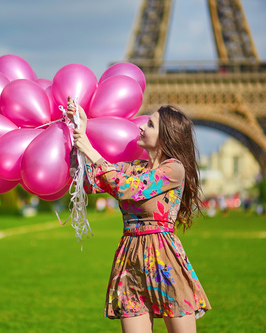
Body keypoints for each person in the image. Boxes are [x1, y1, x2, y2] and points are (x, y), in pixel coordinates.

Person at [66, 97, 211, 333]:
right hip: (130, 258)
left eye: (151, 125)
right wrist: (78, 129)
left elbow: (127, 188)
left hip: (164, 259)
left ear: (167, 136)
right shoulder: (132, 168)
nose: (141, 126)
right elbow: (88, 182)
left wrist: (91, 150)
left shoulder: (174, 169)